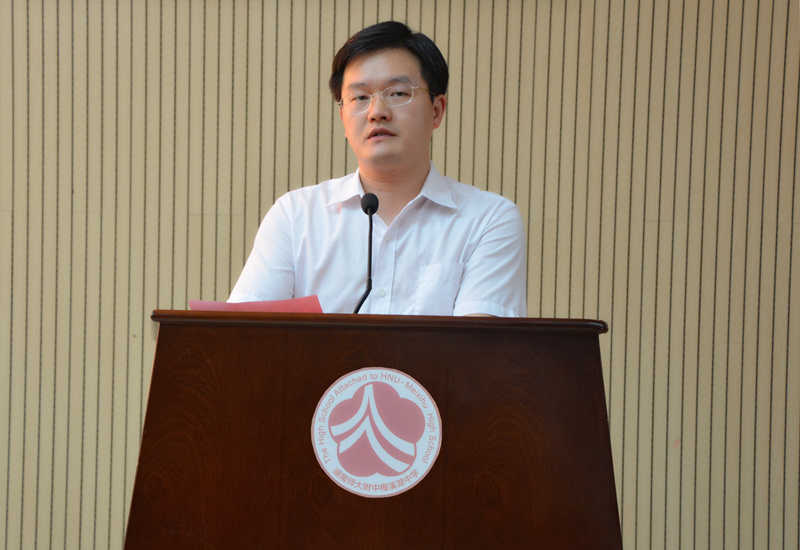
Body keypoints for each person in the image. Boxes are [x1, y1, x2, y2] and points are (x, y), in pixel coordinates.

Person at [228, 21, 527, 316]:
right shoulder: (295, 217)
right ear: (343, 118)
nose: (377, 112)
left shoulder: (488, 220)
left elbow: (479, 344)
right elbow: (245, 335)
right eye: (360, 97)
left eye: (397, 93)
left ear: (436, 111)